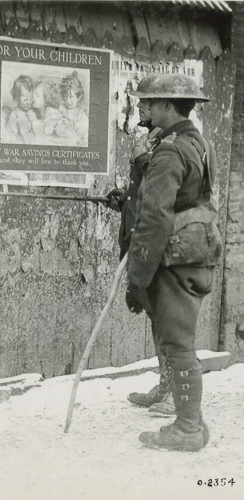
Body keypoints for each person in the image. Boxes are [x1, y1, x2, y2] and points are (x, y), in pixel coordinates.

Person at [126, 73, 222, 452]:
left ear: (168, 105)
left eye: (151, 102)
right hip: (198, 251)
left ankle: (187, 428)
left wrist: (138, 277)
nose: (146, 107)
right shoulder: (200, 144)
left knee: (178, 344)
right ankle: (191, 421)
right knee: (179, 340)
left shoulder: (169, 150)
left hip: (176, 259)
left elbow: (155, 218)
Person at [106, 100, 173, 417]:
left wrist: (141, 160)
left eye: (148, 103)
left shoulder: (174, 144)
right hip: (146, 249)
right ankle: (166, 387)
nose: (140, 108)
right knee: (159, 321)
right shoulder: (154, 141)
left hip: (167, 249)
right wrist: (124, 199)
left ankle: (178, 395)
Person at [56, 71, 89, 146]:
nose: (68, 101)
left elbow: (83, 136)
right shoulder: (61, 109)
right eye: (65, 97)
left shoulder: (81, 115)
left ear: (79, 97)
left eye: (71, 97)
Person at [5, 75, 38, 144]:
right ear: (17, 97)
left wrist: (34, 120)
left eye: (30, 99)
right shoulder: (15, 113)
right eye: (25, 99)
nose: (28, 102)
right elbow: (11, 133)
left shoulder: (32, 111)